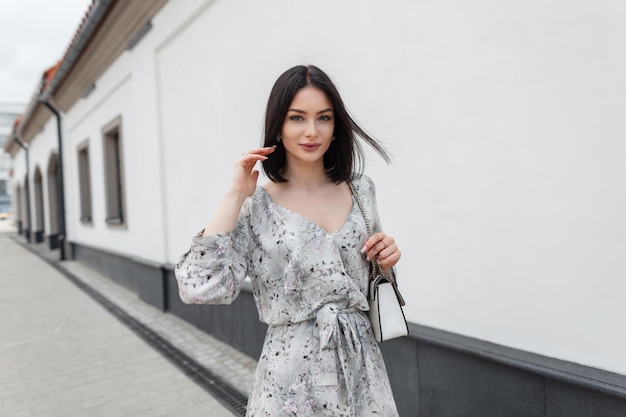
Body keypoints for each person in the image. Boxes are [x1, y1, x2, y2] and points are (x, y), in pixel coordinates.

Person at [175, 65, 402, 416]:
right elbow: (199, 286)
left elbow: (373, 285)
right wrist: (235, 195)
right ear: (278, 126)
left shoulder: (361, 190)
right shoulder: (257, 206)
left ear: (335, 127)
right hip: (291, 381)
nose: (311, 131)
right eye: (297, 118)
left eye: (323, 118)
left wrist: (385, 261)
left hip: (361, 371)